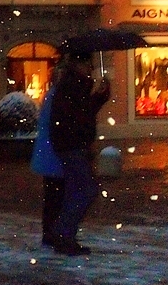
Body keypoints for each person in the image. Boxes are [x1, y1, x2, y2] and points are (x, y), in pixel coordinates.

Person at [48, 50, 110, 255]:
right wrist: (96, 95)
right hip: (73, 146)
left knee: (76, 190)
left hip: (72, 145)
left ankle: (64, 235)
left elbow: (83, 112)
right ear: (79, 65)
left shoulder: (72, 84)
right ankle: (63, 233)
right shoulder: (73, 85)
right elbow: (80, 116)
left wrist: (100, 96)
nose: (91, 70)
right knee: (85, 190)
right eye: (89, 66)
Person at [30, 83, 64, 248]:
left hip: (49, 154)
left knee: (52, 196)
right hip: (55, 154)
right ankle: (53, 233)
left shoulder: (52, 95)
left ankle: (51, 233)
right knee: (56, 196)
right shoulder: (58, 96)